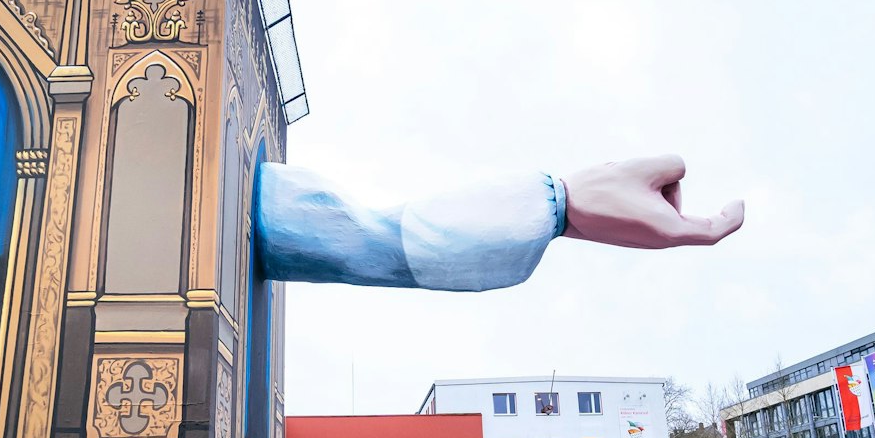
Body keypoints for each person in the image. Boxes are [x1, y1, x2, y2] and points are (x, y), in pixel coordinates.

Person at [255, 154, 744, 289]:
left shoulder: (610, 178)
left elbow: (675, 165)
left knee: (378, 240)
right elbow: (706, 222)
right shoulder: (638, 212)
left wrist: (671, 209)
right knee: (379, 245)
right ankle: (284, 218)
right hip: (525, 219)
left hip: (527, 204)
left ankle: (284, 211)